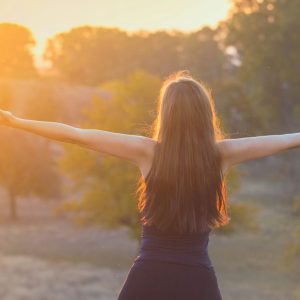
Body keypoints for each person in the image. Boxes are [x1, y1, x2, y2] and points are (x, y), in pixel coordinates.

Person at [0, 70, 299, 299]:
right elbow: (286, 141)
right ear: (205, 115)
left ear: (165, 113)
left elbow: (77, 134)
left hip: (148, 274)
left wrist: (16, 121)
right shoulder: (222, 154)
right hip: (197, 277)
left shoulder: (146, 151)